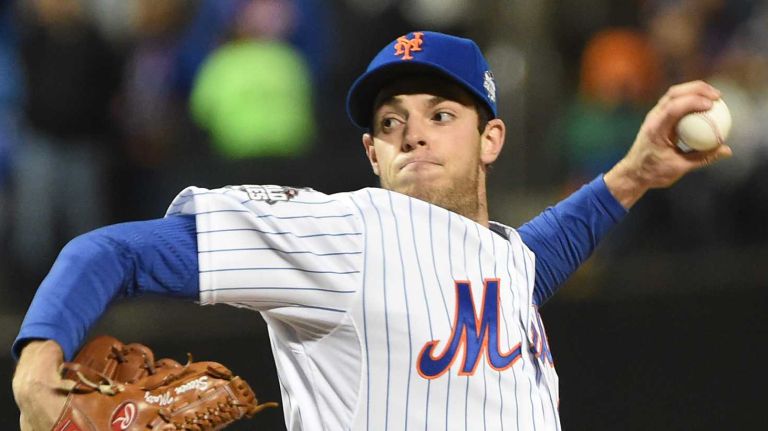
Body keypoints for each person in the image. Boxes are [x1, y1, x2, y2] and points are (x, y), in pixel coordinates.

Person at [12, 31, 730, 430]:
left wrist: (631, 175)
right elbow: (110, 250)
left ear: (492, 139)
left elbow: (528, 261)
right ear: (370, 153)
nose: (413, 133)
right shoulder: (345, 232)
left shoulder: (497, 254)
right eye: (391, 123)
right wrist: (39, 356)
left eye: (440, 115)